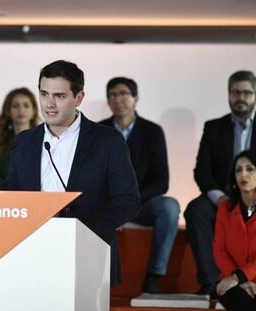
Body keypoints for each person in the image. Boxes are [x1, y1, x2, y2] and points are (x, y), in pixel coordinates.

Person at [5, 60, 140, 286]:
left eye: (59, 96)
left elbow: (128, 200)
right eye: (44, 94)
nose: (49, 104)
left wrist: (78, 232)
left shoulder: (107, 141)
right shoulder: (25, 141)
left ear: (78, 98)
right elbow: (12, 195)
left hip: (88, 255)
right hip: (32, 256)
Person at [184, 70, 256, 295]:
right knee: (195, 211)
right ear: (229, 95)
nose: (241, 97)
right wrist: (220, 198)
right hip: (223, 197)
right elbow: (202, 171)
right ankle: (211, 282)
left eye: (246, 93)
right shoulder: (214, 127)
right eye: (235, 92)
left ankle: (253, 278)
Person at [99, 77, 180, 293]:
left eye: (124, 94)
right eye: (113, 95)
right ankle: (98, 280)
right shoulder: (98, 131)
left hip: (141, 203)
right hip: (109, 205)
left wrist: (131, 201)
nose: (118, 99)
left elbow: (162, 180)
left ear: (135, 98)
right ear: (108, 101)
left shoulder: (153, 131)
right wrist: (115, 205)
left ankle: (154, 276)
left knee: (169, 206)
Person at [214, 150, 256, 311]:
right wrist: (237, 280)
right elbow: (219, 251)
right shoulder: (225, 208)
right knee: (234, 296)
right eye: (238, 169)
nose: (243, 173)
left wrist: (240, 277)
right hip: (231, 281)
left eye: (250, 169)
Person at [0, 87, 39, 189]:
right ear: (8, 111)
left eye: (26, 105)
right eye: (15, 106)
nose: (21, 110)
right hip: (5, 201)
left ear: (34, 111)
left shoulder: (45, 141)